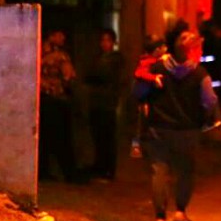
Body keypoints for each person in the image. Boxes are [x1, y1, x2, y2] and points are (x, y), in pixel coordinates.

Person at [137, 31, 218, 221]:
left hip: (158, 128)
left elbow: (139, 92)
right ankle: (180, 211)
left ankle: (160, 218)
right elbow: (210, 100)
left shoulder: (157, 68)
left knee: (159, 171)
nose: (200, 53)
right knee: (185, 171)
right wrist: (205, 117)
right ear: (192, 51)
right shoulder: (199, 74)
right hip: (187, 130)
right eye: (198, 49)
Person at [38, 29, 83, 183]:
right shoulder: (60, 55)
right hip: (57, 99)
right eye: (59, 34)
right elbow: (70, 76)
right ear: (52, 36)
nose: (63, 37)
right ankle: (70, 172)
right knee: (63, 138)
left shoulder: (36, 51)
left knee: (43, 138)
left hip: (41, 99)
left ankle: (43, 171)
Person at [83, 29, 125, 181]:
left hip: (108, 103)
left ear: (113, 42)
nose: (104, 43)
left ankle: (108, 169)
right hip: (96, 102)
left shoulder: (116, 59)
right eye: (103, 40)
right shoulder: (98, 58)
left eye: (108, 40)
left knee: (108, 137)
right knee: (97, 136)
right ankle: (99, 165)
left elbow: (104, 76)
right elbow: (88, 75)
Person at [130, 35, 168, 159]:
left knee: (143, 124)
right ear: (157, 50)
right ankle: (136, 148)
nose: (166, 48)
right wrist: (153, 78)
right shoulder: (147, 61)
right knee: (140, 125)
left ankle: (143, 147)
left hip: (145, 97)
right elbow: (139, 73)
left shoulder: (152, 60)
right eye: (163, 47)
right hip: (142, 98)